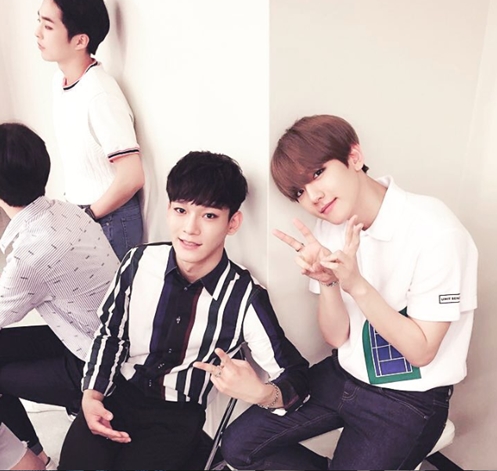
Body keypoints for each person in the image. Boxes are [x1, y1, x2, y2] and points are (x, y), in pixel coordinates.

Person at [221, 114, 478, 470]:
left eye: (317, 173)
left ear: (354, 157)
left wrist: (356, 285)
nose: (313, 196)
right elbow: (337, 336)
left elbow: (421, 350)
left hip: (410, 400)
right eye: (299, 192)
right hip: (343, 376)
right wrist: (328, 283)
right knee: (238, 447)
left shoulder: (436, 232)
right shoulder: (328, 227)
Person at [58, 150, 310, 469]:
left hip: (176, 418)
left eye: (209, 216)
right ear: (168, 210)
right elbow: (110, 335)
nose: (190, 228)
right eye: (181, 210)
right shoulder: (137, 262)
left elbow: (297, 378)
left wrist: (262, 393)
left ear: (232, 222)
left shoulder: (244, 296)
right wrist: (92, 395)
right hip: (117, 395)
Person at [0, 123, 120, 468]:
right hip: (98, 335)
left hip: (98, 364)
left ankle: (33, 459)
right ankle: (36, 453)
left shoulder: (32, 255)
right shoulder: (65, 209)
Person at [35, 0, 145, 260]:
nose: (38, 33)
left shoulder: (100, 94)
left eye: (48, 26)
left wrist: (88, 215)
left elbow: (132, 176)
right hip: (85, 216)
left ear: (80, 40)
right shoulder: (60, 82)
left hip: (110, 222)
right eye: (39, 21)